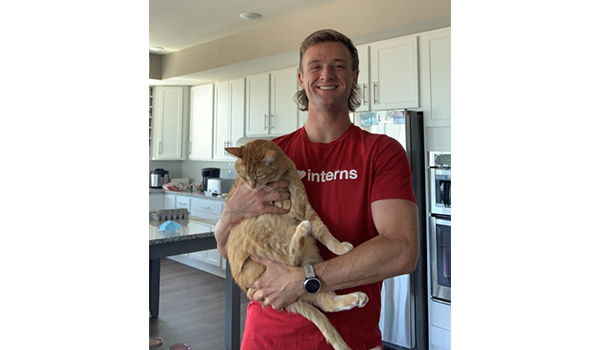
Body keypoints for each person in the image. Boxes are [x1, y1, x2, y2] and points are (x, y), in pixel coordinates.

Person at [214, 29, 419, 350]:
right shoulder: (268, 154)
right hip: (268, 337)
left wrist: (304, 280)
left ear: (354, 77)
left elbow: (402, 251)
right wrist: (228, 217)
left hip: (350, 339)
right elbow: (231, 252)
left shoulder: (381, 151)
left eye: (338, 66)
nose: (326, 74)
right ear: (300, 78)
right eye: (315, 66)